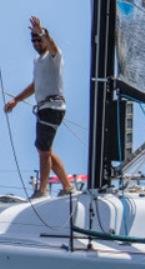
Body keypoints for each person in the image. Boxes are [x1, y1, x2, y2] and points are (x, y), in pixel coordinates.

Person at [4, 16, 75, 198]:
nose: (36, 42)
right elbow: (35, 85)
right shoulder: (37, 61)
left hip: (53, 107)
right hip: (44, 108)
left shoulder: (54, 56)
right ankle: (67, 187)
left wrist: (42, 32)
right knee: (44, 148)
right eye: (33, 40)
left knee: (43, 150)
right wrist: (16, 100)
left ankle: (42, 191)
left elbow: (52, 45)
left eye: (38, 39)